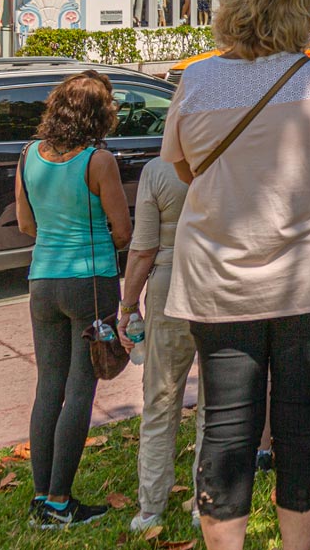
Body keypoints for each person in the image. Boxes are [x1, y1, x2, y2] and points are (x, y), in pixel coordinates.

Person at [161, 0, 310, 550]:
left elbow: (181, 168)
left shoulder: (197, 82)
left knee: (226, 424)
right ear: (301, 9)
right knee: (306, 422)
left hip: (220, 277)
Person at [13, 71, 131, 527]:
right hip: (91, 282)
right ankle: (61, 503)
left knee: (49, 387)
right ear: (100, 115)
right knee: (82, 389)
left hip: (42, 279)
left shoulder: (28, 155)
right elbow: (121, 231)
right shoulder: (98, 161)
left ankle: (41, 497)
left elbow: (26, 225)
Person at [120, 149, 199, 533]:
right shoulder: (227, 159)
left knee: (160, 398)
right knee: (218, 402)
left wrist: (128, 305)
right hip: (223, 281)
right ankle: (207, 500)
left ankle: (150, 505)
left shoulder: (157, 170)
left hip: (169, 285)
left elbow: (143, 249)